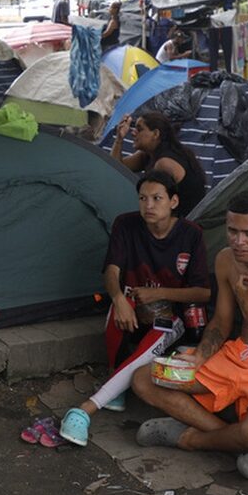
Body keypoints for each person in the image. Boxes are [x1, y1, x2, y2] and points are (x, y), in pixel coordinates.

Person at [130, 190, 248, 480]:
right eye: (232, 231)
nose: (239, 241)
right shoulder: (227, 259)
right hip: (236, 356)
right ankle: (235, 441)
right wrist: (200, 358)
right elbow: (221, 322)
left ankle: (191, 438)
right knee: (144, 379)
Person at [57, 171, 211, 447]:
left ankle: (84, 410)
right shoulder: (126, 224)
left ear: (173, 201)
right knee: (121, 307)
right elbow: (112, 269)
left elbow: (203, 292)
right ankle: (117, 378)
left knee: (151, 344)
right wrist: (117, 299)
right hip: (132, 303)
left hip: (170, 315)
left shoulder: (191, 234)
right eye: (143, 198)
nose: (148, 205)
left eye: (157, 198)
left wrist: (159, 293)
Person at [110, 111, 208, 216]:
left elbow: (155, 204)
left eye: (139, 129)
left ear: (156, 134)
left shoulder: (165, 163)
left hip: (185, 222)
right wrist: (119, 138)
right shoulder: (148, 154)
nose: (133, 133)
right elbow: (115, 168)